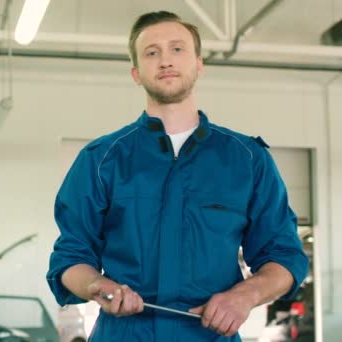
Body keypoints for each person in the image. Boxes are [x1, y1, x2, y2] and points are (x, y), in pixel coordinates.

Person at [46, 10, 308, 341]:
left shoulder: (248, 160)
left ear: (199, 63)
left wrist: (247, 295)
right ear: (136, 73)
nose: (165, 60)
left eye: (177, 49)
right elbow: (70, 258)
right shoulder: (101, 160)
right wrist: (97, 286)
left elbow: (284, 255)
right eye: (151, 52)